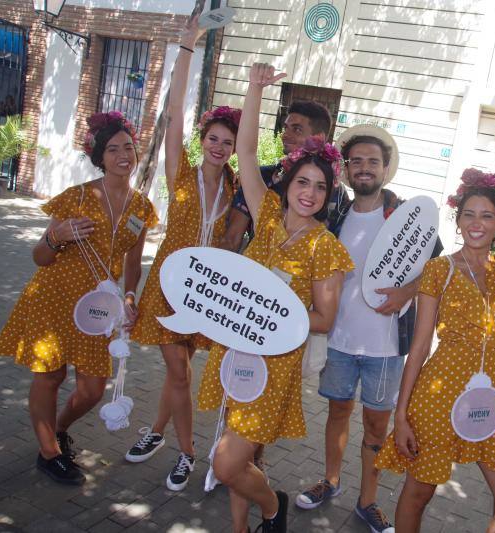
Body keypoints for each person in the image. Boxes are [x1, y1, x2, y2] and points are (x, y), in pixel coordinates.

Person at [374, 63, 495, 533]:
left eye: (487, 215)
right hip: (439, 393)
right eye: (469, 214)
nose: (477, 222)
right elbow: (419, 344)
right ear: (458, 220)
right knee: (418, 494)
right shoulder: (439, 269)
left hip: (494, 393)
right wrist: (402, 412)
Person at [197, 62, 353, 533]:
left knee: (227, 462)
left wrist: (277, 310)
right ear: (287, 184)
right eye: (302, 182)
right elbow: (244, 150)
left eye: (320, 186)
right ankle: (241, 528)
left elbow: (324, 318)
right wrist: (254, 88)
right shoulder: (265, 215)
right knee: (234, 443)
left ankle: (272, 509)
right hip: (235, 343)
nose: (310, 192)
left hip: (276, 360)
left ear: (328, 195)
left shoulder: (327, 247)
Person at [0, 110, 157, 485]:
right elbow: (40, 257)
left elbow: (133, 262)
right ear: (99, 157)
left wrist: (130, 297)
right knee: (50, 376)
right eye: (113, 149)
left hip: (100, 308)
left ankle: (58, 429)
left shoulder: (141, 208)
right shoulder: (77, 197)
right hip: (55, 297)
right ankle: (49, 453)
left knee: (93, 389)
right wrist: (58, 235)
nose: (123, 155)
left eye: (128, 147)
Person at [294, 123, 441, 532]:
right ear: (345, 169)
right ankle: (331, 480)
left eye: (372, 161)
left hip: (386, 347)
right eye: (355, 161)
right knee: (337, 413)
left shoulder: (407, 216)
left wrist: (407, 291)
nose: (363, 168)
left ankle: (368, 501)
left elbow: (437, 269)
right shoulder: (332, 212)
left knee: (377, 425)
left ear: (385, 167)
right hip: (338, 339)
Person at [124, 16, 240, 492]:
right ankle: (188, 453)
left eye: (227, 142)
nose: (218, 146)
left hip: (208, 292)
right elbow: (173, 115)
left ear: (235, 149)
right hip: (171, 283)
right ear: (202, 139)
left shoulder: (236, 188)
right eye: (212, 138)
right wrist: (188, 47)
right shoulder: (182, 174)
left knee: (180, 372)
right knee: (177, 370)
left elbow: (233, 243)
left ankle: (155, 431)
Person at [221, 99, 337, 252]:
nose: (285, 136)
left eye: (296, 130)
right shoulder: (263, 177)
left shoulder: (336, 193)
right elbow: (232, 239)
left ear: (319, 138)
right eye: (286, 128)